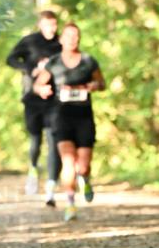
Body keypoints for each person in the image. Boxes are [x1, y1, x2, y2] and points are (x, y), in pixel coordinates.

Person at [33, 23, 105, 222]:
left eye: (76, 36)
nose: (72, 39)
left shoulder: (89, 61)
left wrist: (94, 85)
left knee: (82, 166)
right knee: (67, 162)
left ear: (79, 39)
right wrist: (42, 90)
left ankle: (86, 179)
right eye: (69, 36)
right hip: (61, 117)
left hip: (83, 118)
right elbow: (38, 83)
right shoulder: (54, 62)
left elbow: (102, 83)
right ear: (61, 39)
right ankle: (71, 204)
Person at [6, 10, 62, 205]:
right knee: (36, 141)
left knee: (53, 139)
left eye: (54, 25)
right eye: (48, 25)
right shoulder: (30, 41)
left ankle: (51, 188)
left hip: (54, 99)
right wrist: (29, 70)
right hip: (32, 98)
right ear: (40, 25)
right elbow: (11, 59)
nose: (51, 29)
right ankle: (32, 169)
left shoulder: (60, 43)